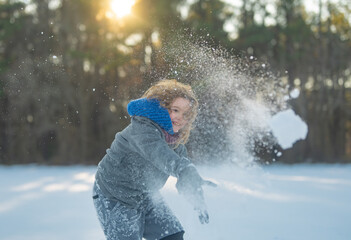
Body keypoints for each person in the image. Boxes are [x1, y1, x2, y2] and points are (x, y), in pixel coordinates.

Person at [92, 79, 215, 240]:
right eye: (175, 110)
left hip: (146, 196)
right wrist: (183, 169)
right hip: (115, 197)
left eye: (185, 114)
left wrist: (195, 193)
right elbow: (158, 152)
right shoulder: (142, 129)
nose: (180, 118)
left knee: (172, 236)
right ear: (162, 107)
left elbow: (184, 168)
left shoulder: (173, 141)